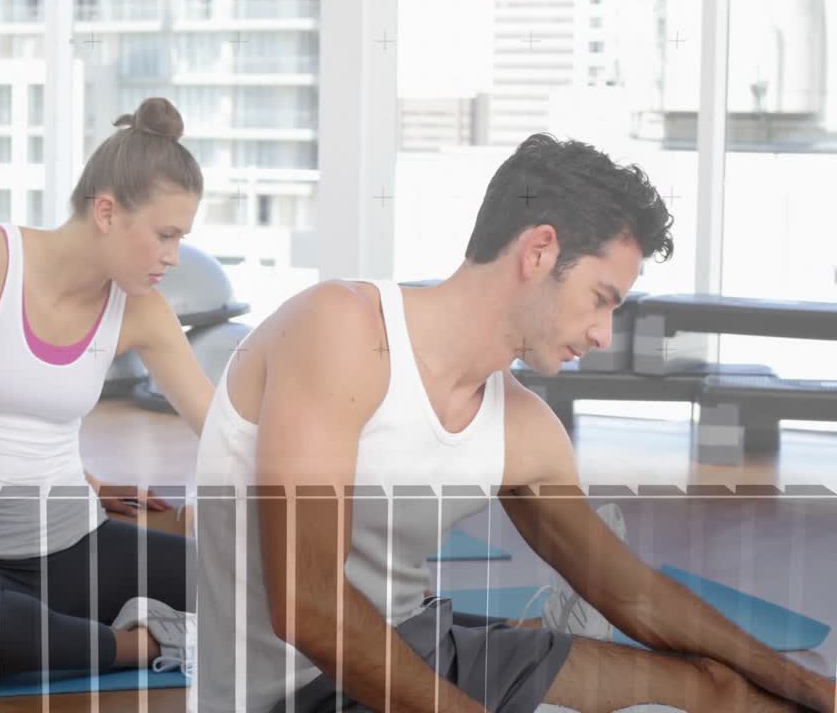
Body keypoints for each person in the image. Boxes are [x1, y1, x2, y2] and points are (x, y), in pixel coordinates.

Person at [192, 133, 837, 712]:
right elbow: (308, 609)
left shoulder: (524, 429)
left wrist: (805, 683)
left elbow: (632, 593)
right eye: (600, 299)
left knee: (721, 694)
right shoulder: (342, 330)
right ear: (538, 251)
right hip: (296, 695)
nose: (603, 335)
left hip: (424, 649)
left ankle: (539, 638)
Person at [0, 97, 213, 680]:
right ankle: (152, 643)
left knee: (248, 581)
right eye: (164, 235)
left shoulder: (141, 310)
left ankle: (118, 633)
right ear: (106, 211)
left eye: (180, 238)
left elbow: (221, 428)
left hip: (79, 547)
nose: (173, 257)